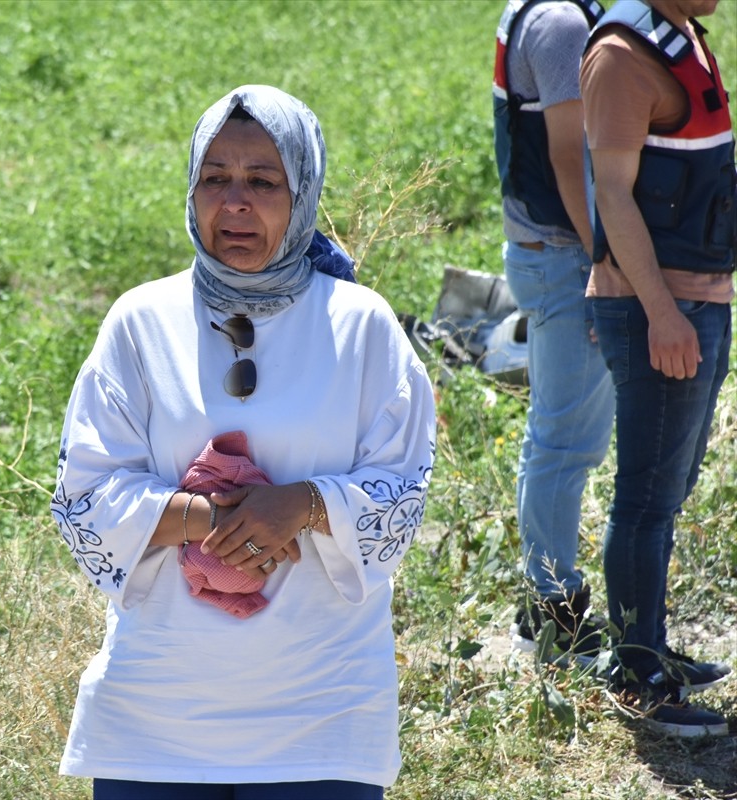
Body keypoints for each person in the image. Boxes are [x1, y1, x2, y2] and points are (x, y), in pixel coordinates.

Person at [50, 85, 436, 798]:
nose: (235, 202)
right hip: (157, 711)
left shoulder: (361, 327)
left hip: (323, 707)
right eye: (214, 179)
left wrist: (306, 504)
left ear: (303, 192)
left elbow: (405, 490)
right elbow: (84, 496)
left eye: (262, 181)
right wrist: (211, 519)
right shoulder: (140, 322)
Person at [581, 0, 734, 737]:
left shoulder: (686, 37)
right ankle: (638, 676)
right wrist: (663, 314)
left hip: (698, 300)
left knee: (666, 495)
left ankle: (654, 647)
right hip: (658, 308)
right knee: (643, 500)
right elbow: (612, 194)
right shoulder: (621, 55)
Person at [491, 0, 616, 666]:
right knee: (568, 445)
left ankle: (541, 599)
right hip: (567, 253)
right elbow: (571, 157)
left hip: (546, 250)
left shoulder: (538, 11)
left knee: (552, 436)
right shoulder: (565, 24)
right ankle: (555, 618)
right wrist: (607, 259)